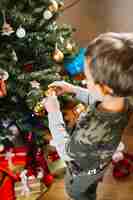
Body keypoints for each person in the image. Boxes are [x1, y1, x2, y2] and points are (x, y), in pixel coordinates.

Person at [43, 32, 133, 200]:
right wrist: (73, 89)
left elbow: (66, 152)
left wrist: (54, 113)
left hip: (81, 174)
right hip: (98, 162)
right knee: (92, 180)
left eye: (88, 78)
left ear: (104, 88)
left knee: (80, 193)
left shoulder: (91, 132)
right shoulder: (123, 102)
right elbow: (97, 97)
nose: (85, 80)